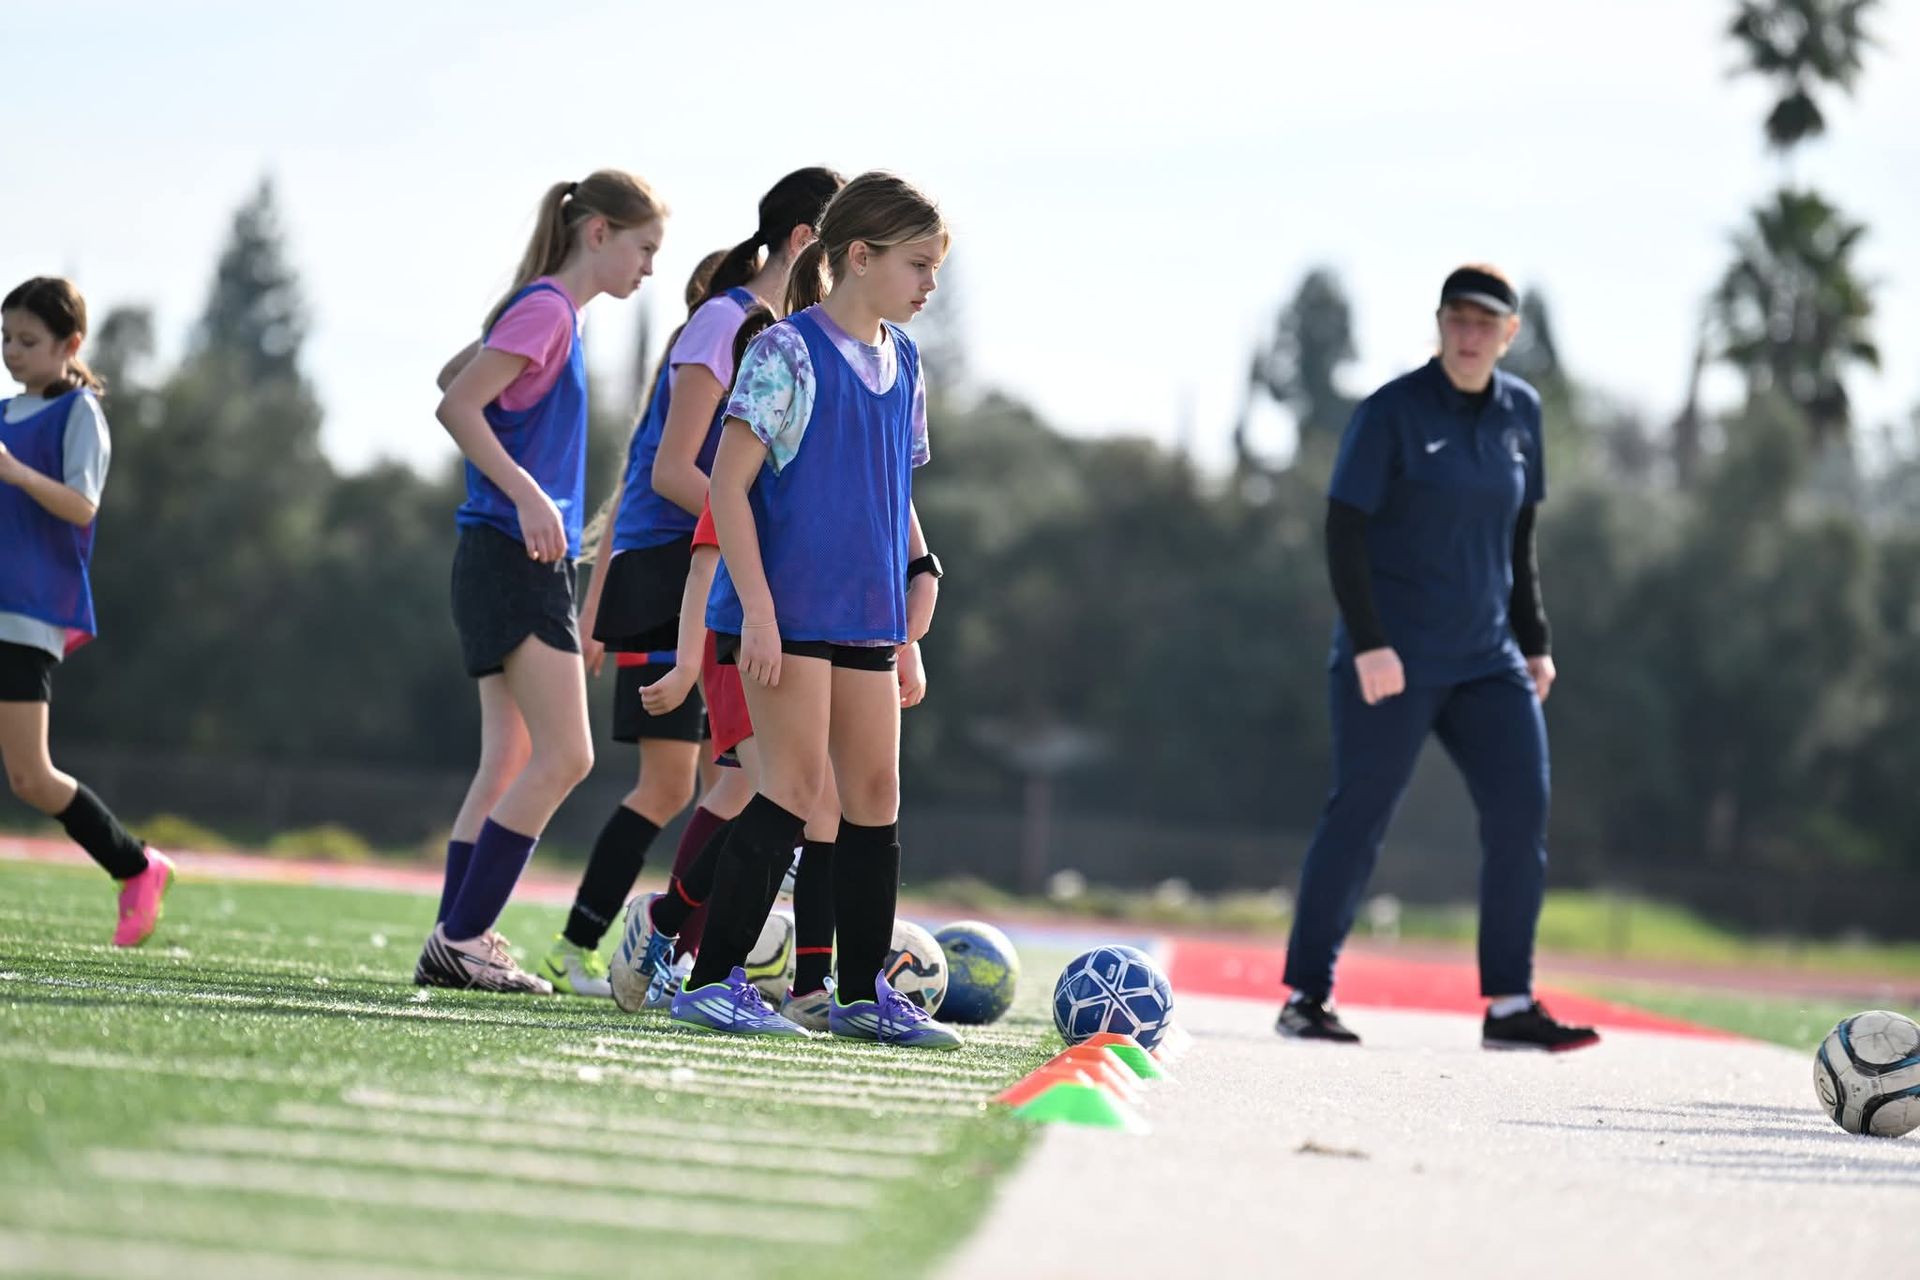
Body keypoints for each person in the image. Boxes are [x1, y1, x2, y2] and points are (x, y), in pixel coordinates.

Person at [1276, 264, 1599, 1053]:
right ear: (1440, 322)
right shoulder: (1391, 411)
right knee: (1360, 813)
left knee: (1522, 811)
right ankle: (1305, 995)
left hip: (1488, 658)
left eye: (1486, 323)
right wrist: (1372, 642)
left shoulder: (1523, 413)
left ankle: (1509, 1005)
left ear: (1508, 334)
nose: (1470, 333)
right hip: (1394, 655)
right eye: (1457, 318)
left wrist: (1537, 641)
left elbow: (1519, 540)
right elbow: (1344, 529)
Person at [539, 169, 844, 997]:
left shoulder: (777, 331)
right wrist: (761, 535)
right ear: (808, 242)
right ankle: (610, 945)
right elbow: (673, 470)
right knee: (712, 779)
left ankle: (672, 951)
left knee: (730, 779)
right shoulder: (728, 322)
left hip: (715, 568)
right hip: (675, 570)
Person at [667, 172, 952, 1047]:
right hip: (789, 617)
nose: (929, 285)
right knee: (789, 794)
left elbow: (890, 489)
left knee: (874, 797)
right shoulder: (786, 351)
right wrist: (754, 609)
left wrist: (918, 581)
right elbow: (729, 482)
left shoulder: (905, 362)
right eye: (916, 264)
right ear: (857, 257)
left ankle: (862, 996)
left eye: (934, 267)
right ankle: (709, 983)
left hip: (869, 618)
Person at [415, 171, 667, 993]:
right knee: (566, 754)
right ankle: (463, 935)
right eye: (644, 248)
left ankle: (455, 944)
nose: (650, 268)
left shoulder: (548, 312)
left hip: (503, 554)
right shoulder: (551, 312)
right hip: (510, 553)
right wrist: (525, 491)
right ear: (597, 233)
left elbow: (460, 373)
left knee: (511, 759)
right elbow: (457, 404)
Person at [0, 277, 173, 946]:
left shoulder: (80, 416)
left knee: (30, 777)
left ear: (70, 345)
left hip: (26, 612)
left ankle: (136, 866)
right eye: (6, 339)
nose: (13, 352)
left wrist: (16, 474)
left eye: (29, 341)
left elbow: (82, 505)